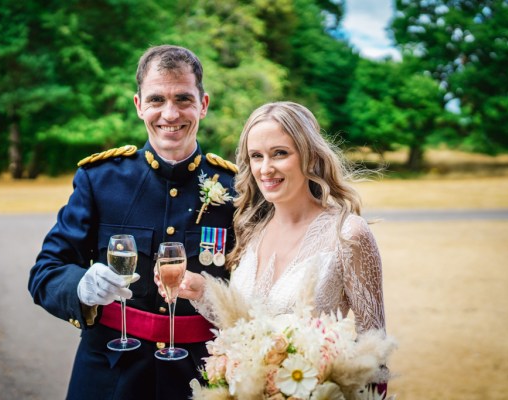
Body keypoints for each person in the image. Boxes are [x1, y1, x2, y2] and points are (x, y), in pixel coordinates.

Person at [28, 45, 238, 399]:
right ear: (139, 105)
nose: (170, 114)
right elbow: (45, 272)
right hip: (110, 374)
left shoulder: (237, 188)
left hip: (204, 375)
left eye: (183, 99)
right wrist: (81, 286)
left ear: (203, 104)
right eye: (156, 99)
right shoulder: (100, 179)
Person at [165, 101, 388, 393]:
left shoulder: (348, 234)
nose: (265, 168)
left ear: (308, 156)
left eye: (279, 153)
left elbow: (376, 358)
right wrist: (203, 292)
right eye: (256, 156)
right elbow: (246, 326)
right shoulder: (250, 229)